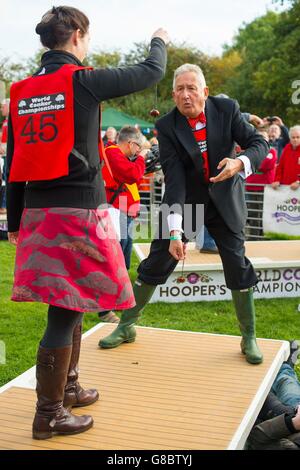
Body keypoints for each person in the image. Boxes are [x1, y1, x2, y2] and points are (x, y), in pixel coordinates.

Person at [6, 5, 168, 440]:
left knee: (72, 301)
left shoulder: (21, 90)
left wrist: (13, 217)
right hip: (79, 212)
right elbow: (151, 71)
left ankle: (69, 387)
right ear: (77, 35)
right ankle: (50, 413)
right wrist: (159, 39)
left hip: (38, 212)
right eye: (88, 36)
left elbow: (13, 161)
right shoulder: (82, 81)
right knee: (63, 310)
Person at [99, 63, 269, 365]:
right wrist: (176, 233)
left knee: (237, 264)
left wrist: (239, 163)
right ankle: (126, 326)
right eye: (180, 89)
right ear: (173, 95)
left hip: (224, 201)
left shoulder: (227, 109)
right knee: (157, 261)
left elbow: (259, 142)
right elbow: (175, 181)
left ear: (204, 91)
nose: (186, 94)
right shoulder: (167, 126)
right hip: (187, 203)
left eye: (192, 88)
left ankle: (249, 337)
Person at [98, 126, 146, 323]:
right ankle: (104, 309)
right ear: (130, 143)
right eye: (138, 147)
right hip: (116, 212)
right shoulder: (113, 152)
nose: (139, 151)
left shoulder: (117, 154)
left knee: (122, 262)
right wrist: (142, 159)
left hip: (124, 212)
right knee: (114, 262)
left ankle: (116, 302)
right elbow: (133, 175)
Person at [245, 130, 277, 237]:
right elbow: (250, 163)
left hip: (265, 187)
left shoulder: (272, 151)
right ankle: (254, 235)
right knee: (253, 212)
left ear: (268, 139)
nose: (262, 139)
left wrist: (255, 163)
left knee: (264, 211)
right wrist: (256, 163)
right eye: (260, 136)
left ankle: (262, 235)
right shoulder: (251, 151)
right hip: (251, 186)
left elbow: (267, 165)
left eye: (264, 136)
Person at [271, 125, 300, 191]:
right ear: (290, 138)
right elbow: (280, 166)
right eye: (293, 137)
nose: (295, 139)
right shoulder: (287, 148)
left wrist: (298, 182)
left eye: (298, 137)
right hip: (286, 187)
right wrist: (277, 180)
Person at [0, 98, 9, 214]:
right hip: (4, 154)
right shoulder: (6, 121)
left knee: (7, 180)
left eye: (3, 106)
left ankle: (5, 205)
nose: (1, 109)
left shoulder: (11, 119)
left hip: (7, 154)